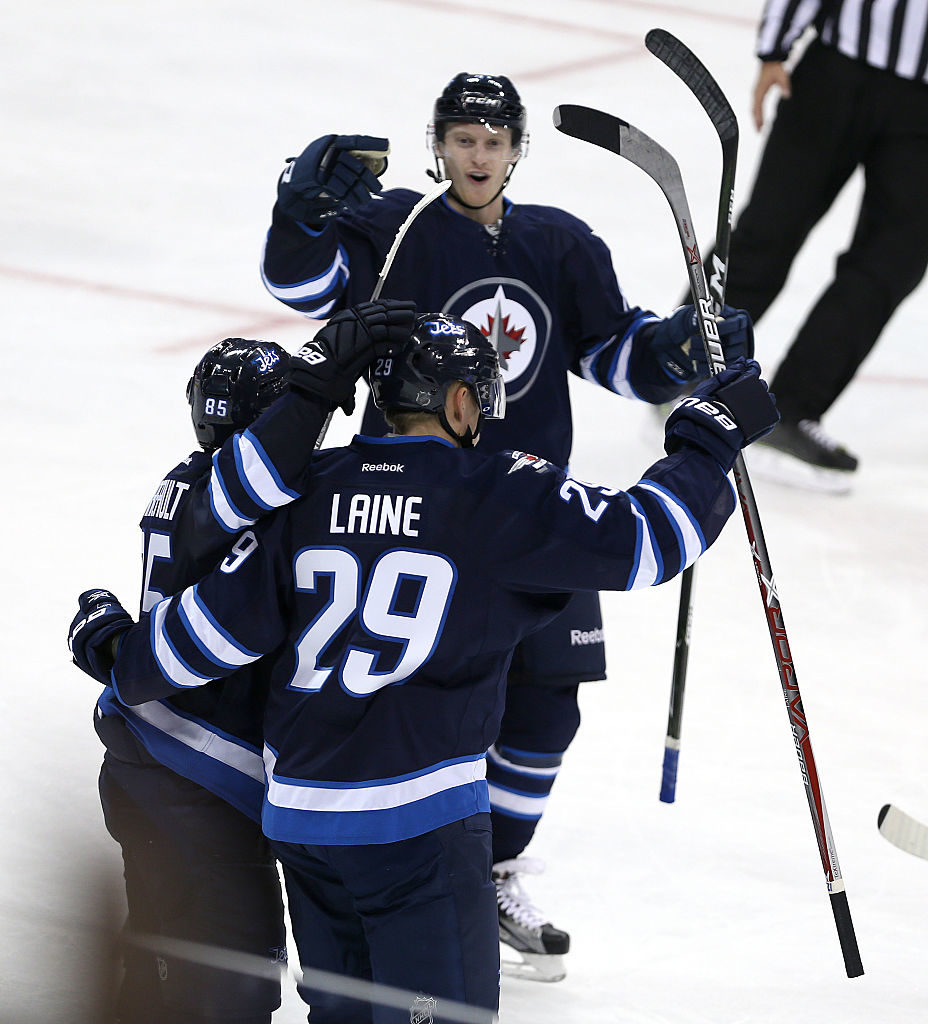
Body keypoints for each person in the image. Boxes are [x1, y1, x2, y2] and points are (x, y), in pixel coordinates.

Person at [68, 311, 779, 1024]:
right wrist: (709, 436)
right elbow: (651, 540)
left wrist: (115, 654)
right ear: (460, 402)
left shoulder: (305, 486)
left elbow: (202, 640)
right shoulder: (495, 490)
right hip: (418, 829)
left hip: (304, 823)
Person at [258, 72, 756, 978]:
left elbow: (614, 354)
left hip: (527, 505)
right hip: (415, 502)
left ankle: (488, 870)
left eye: (493, 141)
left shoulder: (559, 243)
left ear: (516, 148)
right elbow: (299, 284)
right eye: (461, 139)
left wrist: (681, 350)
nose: (476, 157)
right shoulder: (398, 227)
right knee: (407, 697)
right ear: (437, 143)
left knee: (546, 707)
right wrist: (297, 216)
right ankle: (380, 865)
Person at [90, 302, 416, 1023]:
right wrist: (326, 372)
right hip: (188, 777)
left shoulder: (200, 484)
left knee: (174, 962)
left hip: (167, 763)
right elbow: (268, 476)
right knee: (226, 989)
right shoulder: (232, 495)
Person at [720, 0, 928, 493]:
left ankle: (791, 410)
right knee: (772, 228)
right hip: (836, 72)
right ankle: (685, 362)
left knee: (890, 264)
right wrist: (774, 49)